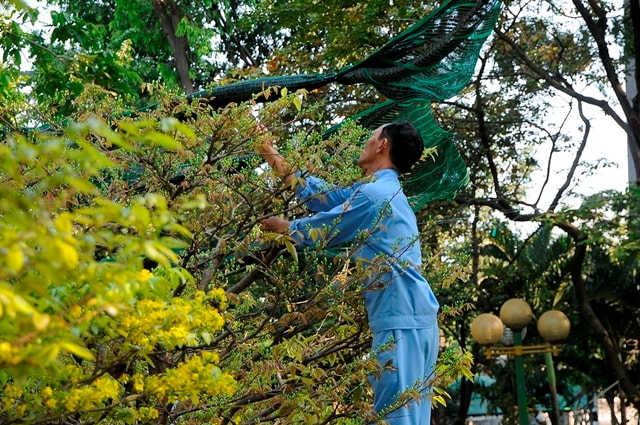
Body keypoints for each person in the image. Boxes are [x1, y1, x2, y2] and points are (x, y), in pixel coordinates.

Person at [257, 121, 440, 425]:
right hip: (414, 317)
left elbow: (321, 229)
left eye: (371, 137)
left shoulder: (374, 196)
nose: (365, 143)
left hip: (402, 317)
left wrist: (283, 227)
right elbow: (321, 196)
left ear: (382, 145)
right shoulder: (380, 191)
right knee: (409, 415)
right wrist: (270, 154)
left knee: (396, 417)